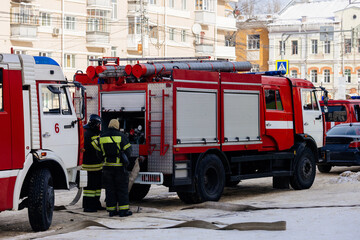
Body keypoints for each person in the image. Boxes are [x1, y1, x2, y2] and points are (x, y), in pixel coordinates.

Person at [98, 119, 132, 217]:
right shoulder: (122, 136)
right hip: (119, 168)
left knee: (110, 190)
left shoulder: (102, 137)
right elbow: (128, 152)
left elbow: (99, 153)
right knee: (122, 189)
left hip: (107, 168)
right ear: (117, 126)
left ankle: (112, 211)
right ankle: (123, 211)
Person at [82, 114, 104, 212]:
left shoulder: (93, 132)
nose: (98, 125)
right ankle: (88, 206)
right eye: (98, 124)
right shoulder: (88, 134)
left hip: (97, 166)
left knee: (96, 187)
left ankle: (96, 204)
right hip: (89, 166)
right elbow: (97, 147)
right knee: (89, 188)